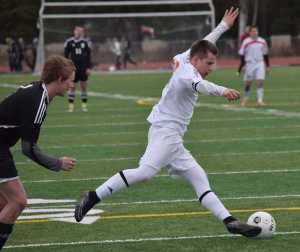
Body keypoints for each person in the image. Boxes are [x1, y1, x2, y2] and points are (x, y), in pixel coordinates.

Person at [74, 8, 261, 238]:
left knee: (198, 176)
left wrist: (223, 26)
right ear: (196, 60)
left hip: (171, 134)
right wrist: (223, 90)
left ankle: (230, 222)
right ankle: (92, 197)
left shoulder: (186, 57)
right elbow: (201, 86)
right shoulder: (188, 75)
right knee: (144, 173)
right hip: (166, 132)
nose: (211, 69)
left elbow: (204, 42)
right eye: (209, 64)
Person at [0, 55, 77, 249]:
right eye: (70, 80)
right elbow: (29, 149)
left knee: (4, 203)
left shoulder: (37, 90)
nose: (71, 85)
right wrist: (57, 163)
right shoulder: (38, 100)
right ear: (60, 78)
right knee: (17, 201)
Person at [238, 26, 270, 107]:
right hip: (249, 64)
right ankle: (245, 99)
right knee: (248, 83)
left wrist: (268, 65)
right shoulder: (246, 42)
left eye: (256, 31)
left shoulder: (262, 41)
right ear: (250, 33)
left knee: (260, 82)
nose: (255, 33)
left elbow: (265, 54)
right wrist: (242, 65)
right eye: (253, 31)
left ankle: (260, 101)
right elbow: (242, 54)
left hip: (260, 63)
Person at [64, 26, 92, 112]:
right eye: (78, 31)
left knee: (84, 87)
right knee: (72, 87)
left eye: (81, 31)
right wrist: (67, 67)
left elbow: (89, 56)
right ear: (74, 31)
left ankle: (84, 107)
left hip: (83, 68)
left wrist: (88, 68)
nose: (79, 32)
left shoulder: (85, 42)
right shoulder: (69, 42)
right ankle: (71, 107)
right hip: (74, 69)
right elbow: (65, 56)